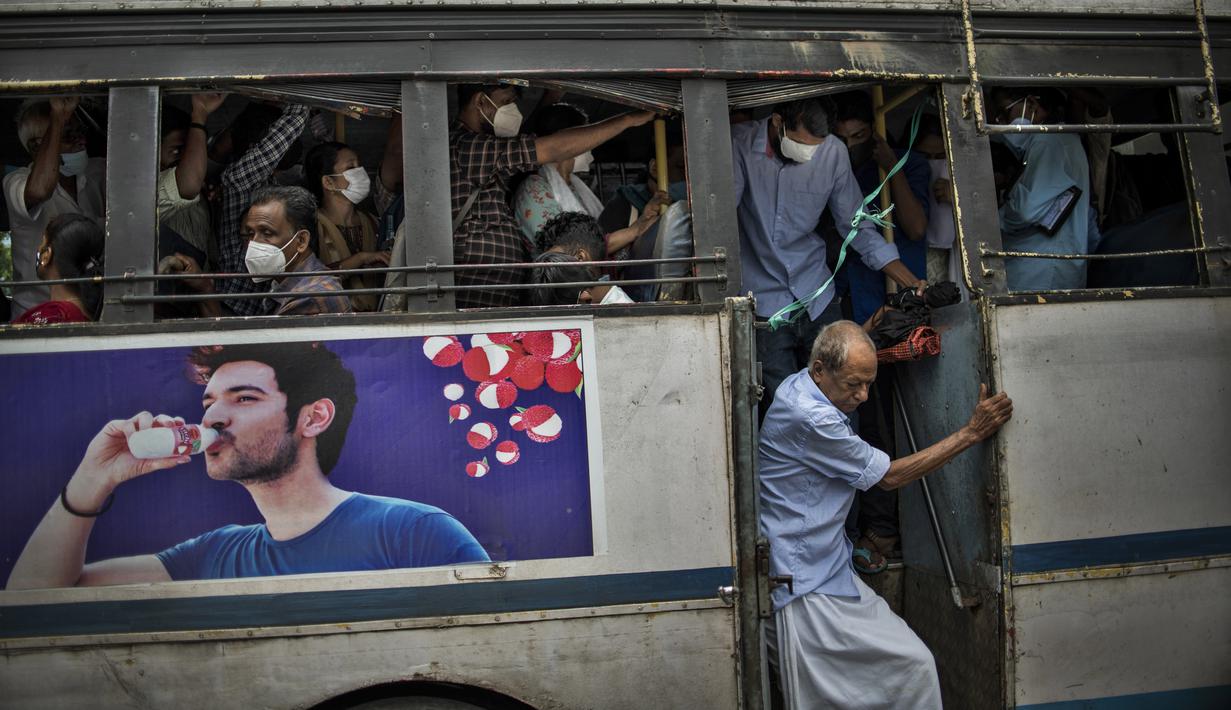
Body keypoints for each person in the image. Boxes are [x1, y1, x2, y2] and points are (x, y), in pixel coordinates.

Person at [6, 340, 490, 589]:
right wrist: (94, 478)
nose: (214, 415)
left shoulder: (414, 530)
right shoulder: (213, 555)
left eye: (244, 397)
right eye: (209, 400)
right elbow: (36, 601)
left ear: (313, 417)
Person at [760, 321, 1013, 710]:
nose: (862, 396)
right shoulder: (812, 417)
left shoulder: (803, 384)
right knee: (908, 668)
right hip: (804, 581)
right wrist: (970, 434)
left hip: (824, 568)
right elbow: (890, 477)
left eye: (868, 383)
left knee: (910, 668)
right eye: (853, 385)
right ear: (819, 370)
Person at [730, 97, 923, 418]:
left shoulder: (832, 152)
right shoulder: (738, 144)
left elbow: (857, 226)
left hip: (817, 293)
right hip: (762, 303)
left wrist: (910, 281)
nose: (808, 154)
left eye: (814, 147)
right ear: (778, 122)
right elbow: (720, 216)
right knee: (786, 408)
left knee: (844, 398)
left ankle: (848, 468)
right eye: (801, 144)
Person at [447, 83, 655, 308]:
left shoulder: (488, 153)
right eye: (506, 102)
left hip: (490, 291)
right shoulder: (468, 147)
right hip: (474, 290)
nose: (513, 111)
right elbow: (549, 147)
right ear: (480, 102)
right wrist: (628, 120)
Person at [4, 96, 105, 321]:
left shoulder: (98, 174)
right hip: (38, 318)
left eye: (81, 132)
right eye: (68, 135)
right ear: (37, 147)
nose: (80, 141)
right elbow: (40, 190)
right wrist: (57, 118)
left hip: (94, 316)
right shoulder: (16, 182)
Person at [988, 87, 1093, 292]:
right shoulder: (1061, 140)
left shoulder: (1049, 140)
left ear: (1032, 104)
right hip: (1049, 265)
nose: (1001, 122)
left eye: (1005, 112)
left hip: (1038, 269)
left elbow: (1025, 211)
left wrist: (994, 214)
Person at [215, 102, 310, 315]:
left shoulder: (269, 185)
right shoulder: (239, 179)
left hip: (259, 305)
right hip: (234, 306)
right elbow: (293, 121)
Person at [597, 121, 689, 302]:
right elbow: (596, 251)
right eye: (681, 168)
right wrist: (635, 231)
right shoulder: (624, 203)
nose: (688, 177)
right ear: (655, 168)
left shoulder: (693, 209)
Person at [241, 186, 353, 317]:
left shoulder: (309, 298)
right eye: (250, 233)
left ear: (301, 241)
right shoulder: (288, 284)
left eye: (267, 233)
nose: (253, 243)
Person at [303, 141, 389, 311]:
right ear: (328, 182)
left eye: (359, 166)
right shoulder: (310, 226)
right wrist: (361, 259)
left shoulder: (373, 222)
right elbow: (306, 282)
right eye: (351, 168)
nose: (360, 172)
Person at [513, 103, 604, 240]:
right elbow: (566, 249)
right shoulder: (534, 190)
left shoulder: (573, 186)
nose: (589, 145)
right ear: (564, 143)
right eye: (585, 139)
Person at [158, 93, 226, 261]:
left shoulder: (201, 193)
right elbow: (188, 186)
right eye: (176, 150)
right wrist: (199, 116)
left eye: (187, 150)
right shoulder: (146, 192)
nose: (185, 158)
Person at [12, 213, 104, 325]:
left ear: (46, 255)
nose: (38, 249)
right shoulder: (94, 315)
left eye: (42, 242)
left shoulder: (52, 315)